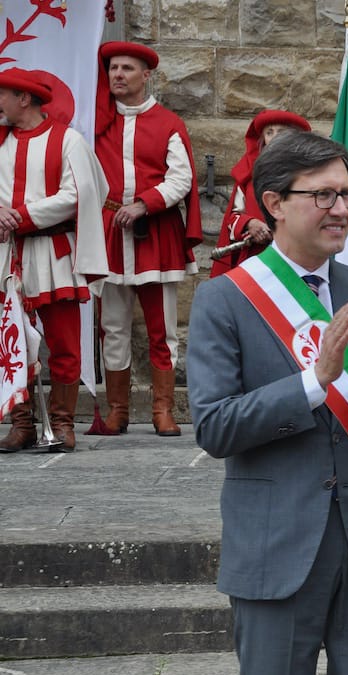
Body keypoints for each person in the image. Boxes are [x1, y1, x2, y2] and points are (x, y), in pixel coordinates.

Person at [186, 131, 348, 675]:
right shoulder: (225, 300)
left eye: (346, 195)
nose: (342, 209)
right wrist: (313, 383)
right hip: (276, 548)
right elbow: (215, 427)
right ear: (274, 203)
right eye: (323, 196)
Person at [93, 41, 202, 437]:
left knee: (162, 328)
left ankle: (162, 410)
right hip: (109, 237)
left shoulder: (168, 122)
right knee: (114, 327)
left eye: (126, 68)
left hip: (154, 235)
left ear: (146, 75)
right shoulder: (96, 122)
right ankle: (118, 409)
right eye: (113, 69)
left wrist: (144, 204)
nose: (118, 75)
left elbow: (181, 177)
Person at [0, 68, 109, 453]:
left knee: (64, 344)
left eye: (3, 95)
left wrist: (22, 215)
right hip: (9, 257)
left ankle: (62, 424)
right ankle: (23, 423)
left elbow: (80, 193)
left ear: (23, 99)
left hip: (53, 253)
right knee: (12, 343)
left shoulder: (68, 141)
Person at [210, 109, 311, 277]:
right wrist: (250, 224)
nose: (275, 137)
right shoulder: (249, 174)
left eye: (281, 131)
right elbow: (233, 216)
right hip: (255, 259)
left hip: (297, 258)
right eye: (269, 132)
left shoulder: (309, 172)